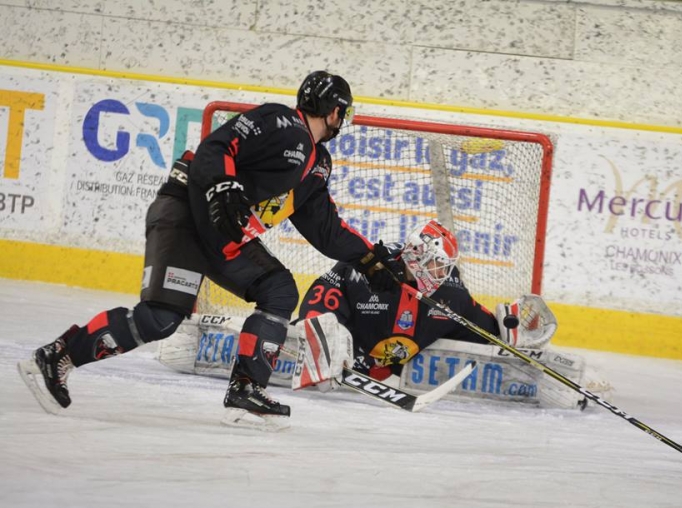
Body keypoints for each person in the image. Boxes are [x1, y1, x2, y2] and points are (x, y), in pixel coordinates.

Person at [18, 70, 404, 426]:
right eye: (343, 112)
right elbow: (217, 146)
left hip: (223, 236)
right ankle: (58, 355)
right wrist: (223, 185)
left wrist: (368, 259)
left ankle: (246, 390)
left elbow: (325, 229)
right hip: (187, 214)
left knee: (278, 290)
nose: (343, 120)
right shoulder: (280, 121)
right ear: (335, 110)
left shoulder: (318, 162)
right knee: (161, 317)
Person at [292, 219, 557, 388]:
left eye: (445, 267)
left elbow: (484, 331)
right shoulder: (365, 270)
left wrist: (508, 330)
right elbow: (319, 299)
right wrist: (321, 339)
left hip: (389, 377)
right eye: (437, 265)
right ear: (416, 256)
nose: (442, 274)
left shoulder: (451, 294)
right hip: (349, 368)